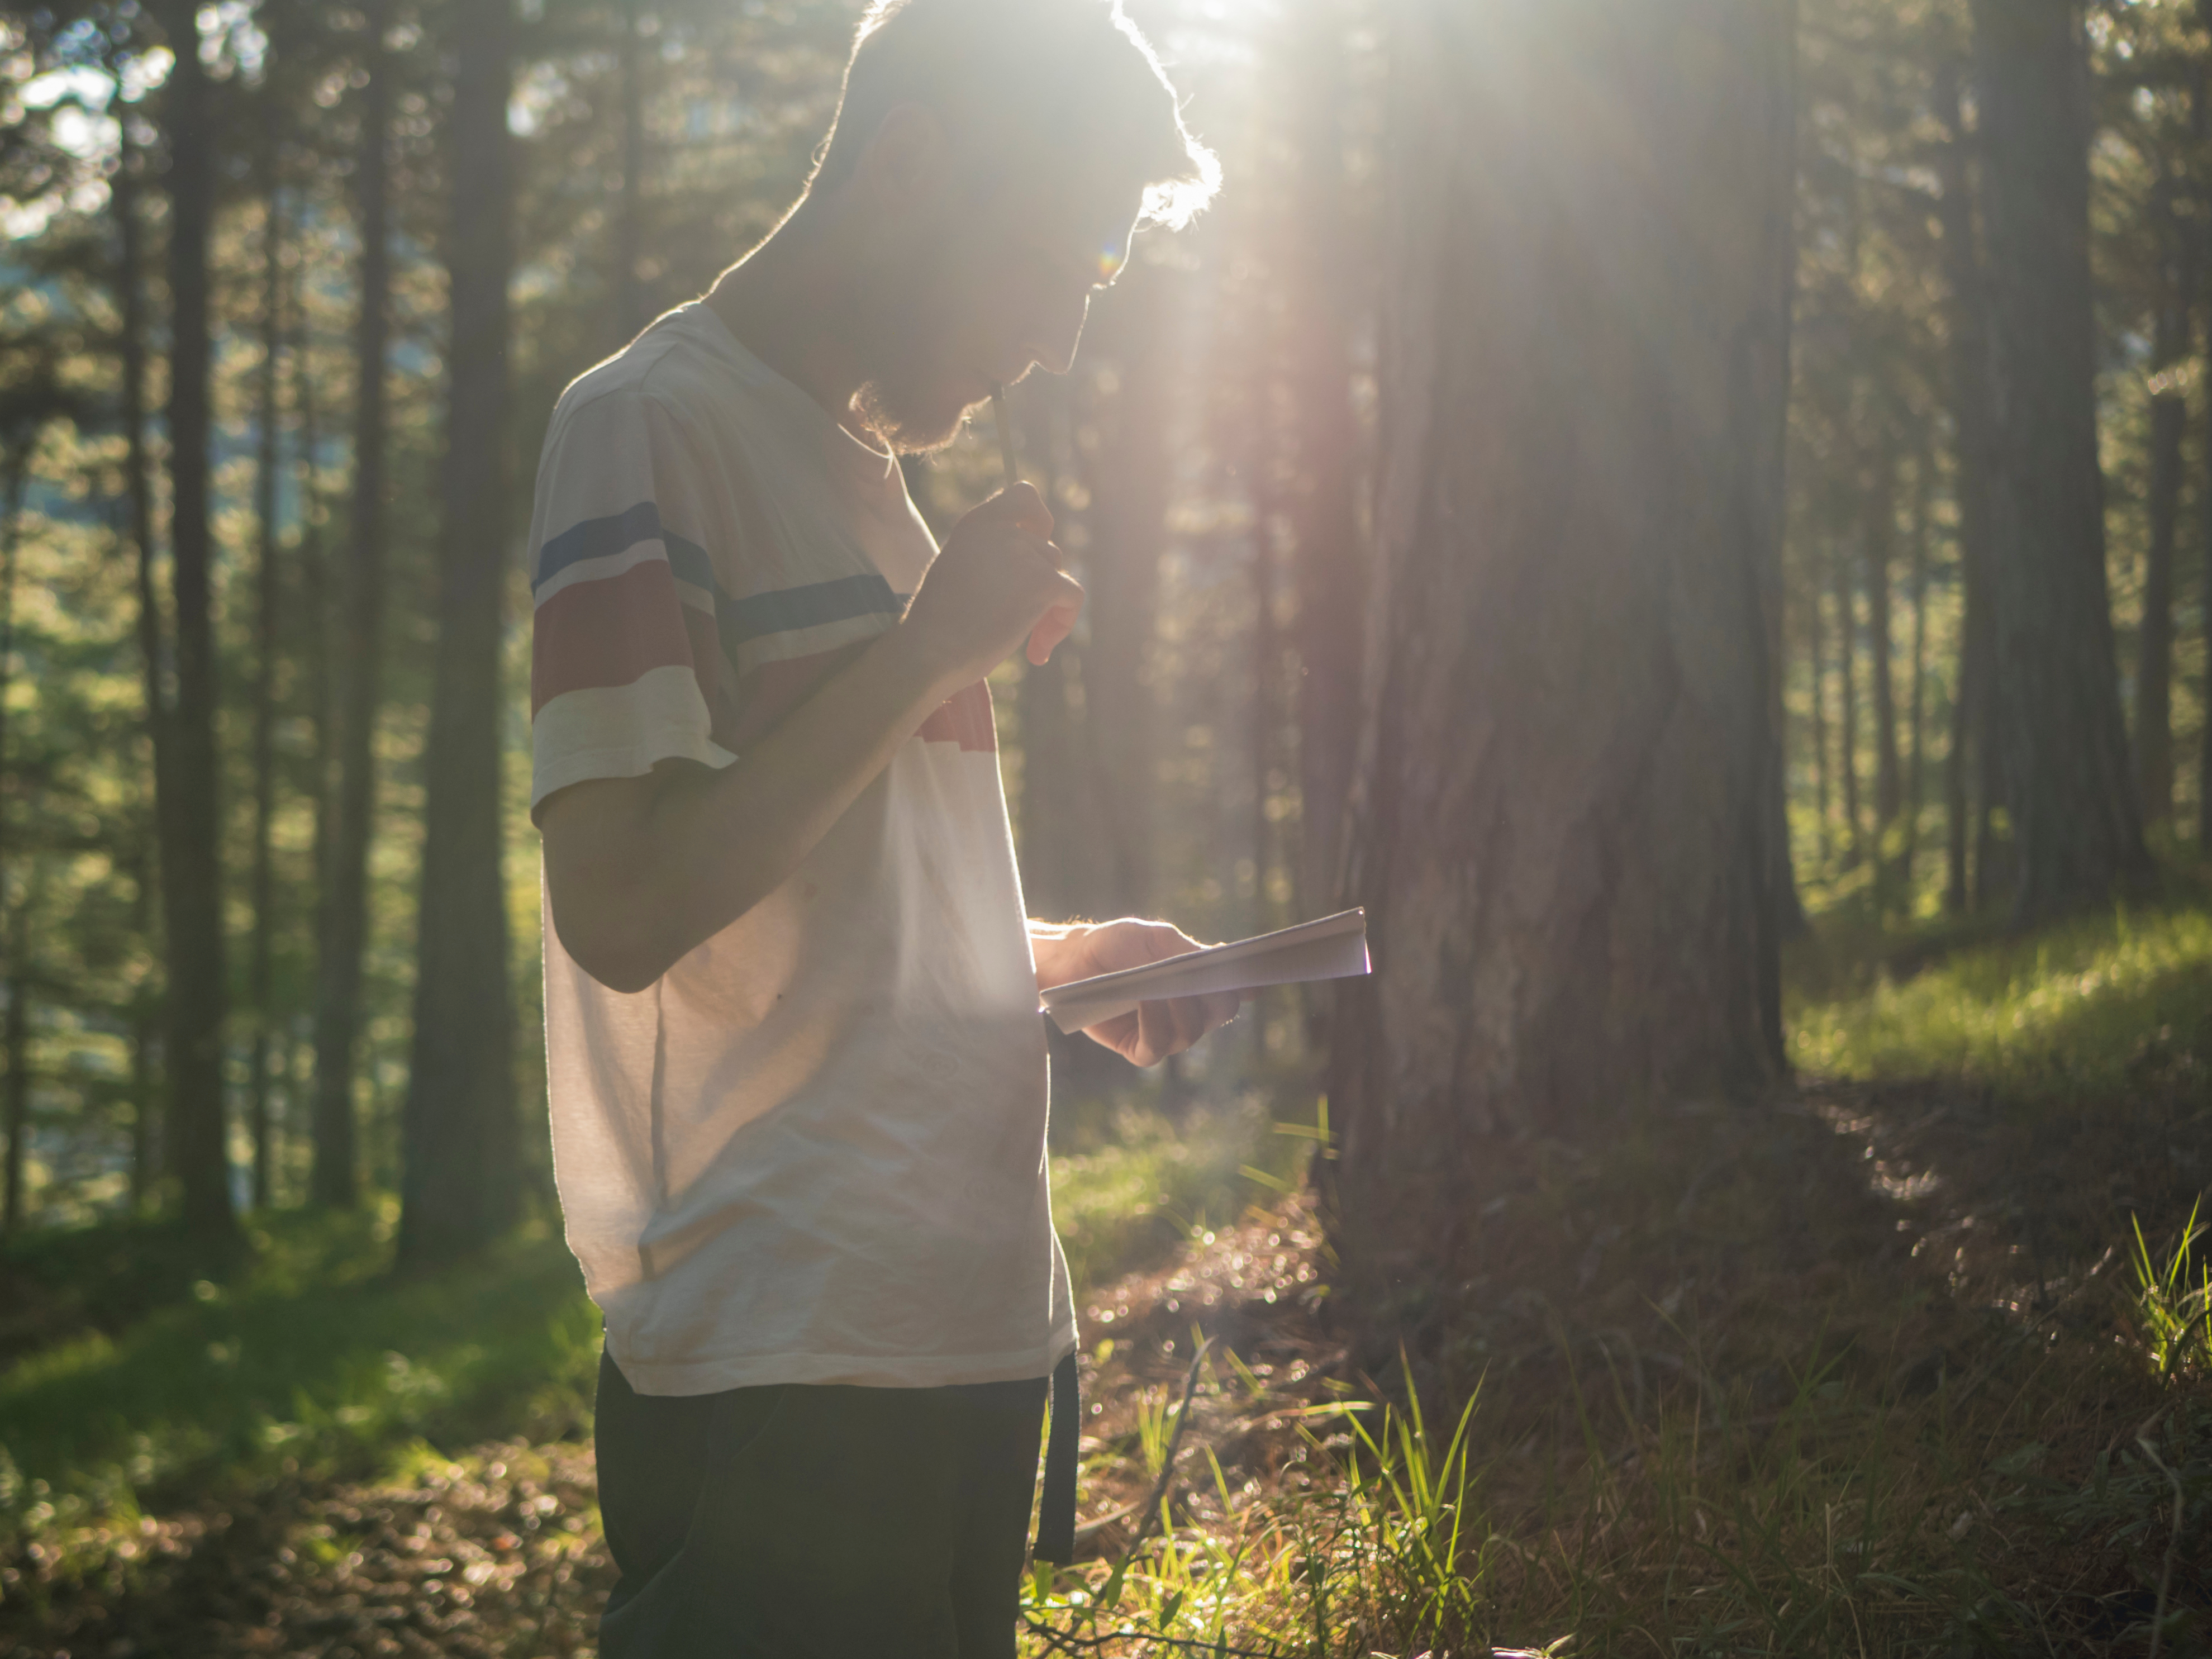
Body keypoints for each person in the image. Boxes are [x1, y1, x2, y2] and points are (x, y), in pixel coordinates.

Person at [525, 0, 1230, 1651]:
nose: (1060, 336)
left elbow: (826, 913)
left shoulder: (868, 476)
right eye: (1061, 259)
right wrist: (926, 647)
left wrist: (1054, 962)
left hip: (959, 1334)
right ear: (910, 165)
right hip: (794, 1360)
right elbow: (622, 903)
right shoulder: (645, 427)